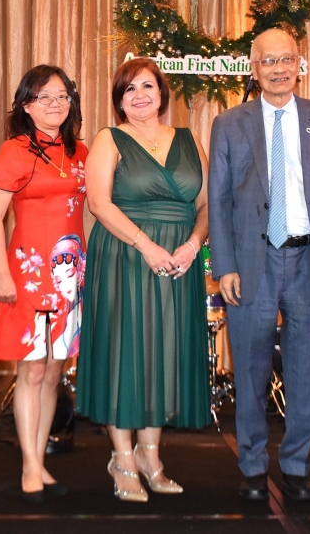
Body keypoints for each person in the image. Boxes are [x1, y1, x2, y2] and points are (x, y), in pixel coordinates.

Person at [208, 28, 310, 502]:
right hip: (253, 262)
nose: (279, 69)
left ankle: (297, 467)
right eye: (268, 61)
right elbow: (219, 200)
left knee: (305, 371)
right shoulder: (230, 124)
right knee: (250, 370)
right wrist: (224, 265)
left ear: (299, 64)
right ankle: (251, 467)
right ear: (254, 68)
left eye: (287, 59)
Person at [77, 57, 211, 502]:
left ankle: (150, 456)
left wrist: (193, 245)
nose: (140, 95)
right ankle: (122, 458)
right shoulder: (109, 138)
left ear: (161, 94)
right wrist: (146, 245)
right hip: (125, 256)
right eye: (129, 89)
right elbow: (99, 203)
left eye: (148, 86)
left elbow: (206, 205)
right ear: (119, 100)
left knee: (164, 354)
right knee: (123, 353)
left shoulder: (189, 140)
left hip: (179, 261)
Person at [0, 65, 87, 503]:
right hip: (27, 273)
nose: (55, 104)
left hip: (70, 276)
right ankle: (29, 463)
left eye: (62, 96)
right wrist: (1, 274)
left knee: (54, 372)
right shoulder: (16, 150)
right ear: (26, 105)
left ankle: (40, 459)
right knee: (32, 370)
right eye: (44, 97)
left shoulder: (81, 152)